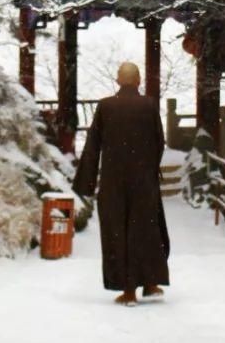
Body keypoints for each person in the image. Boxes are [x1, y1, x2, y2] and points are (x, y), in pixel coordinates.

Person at [73, 61, 171, 305]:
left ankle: (128, 290)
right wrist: (148, 169)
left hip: (113, 181)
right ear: (138, 81)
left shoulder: (106, 107)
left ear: (118, 81)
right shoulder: (148, 105)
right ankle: (150, 282)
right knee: (146, 230)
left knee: (119, 231)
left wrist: (85, 183)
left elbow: (93, 145)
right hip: (143, 182)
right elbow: (159, 142)